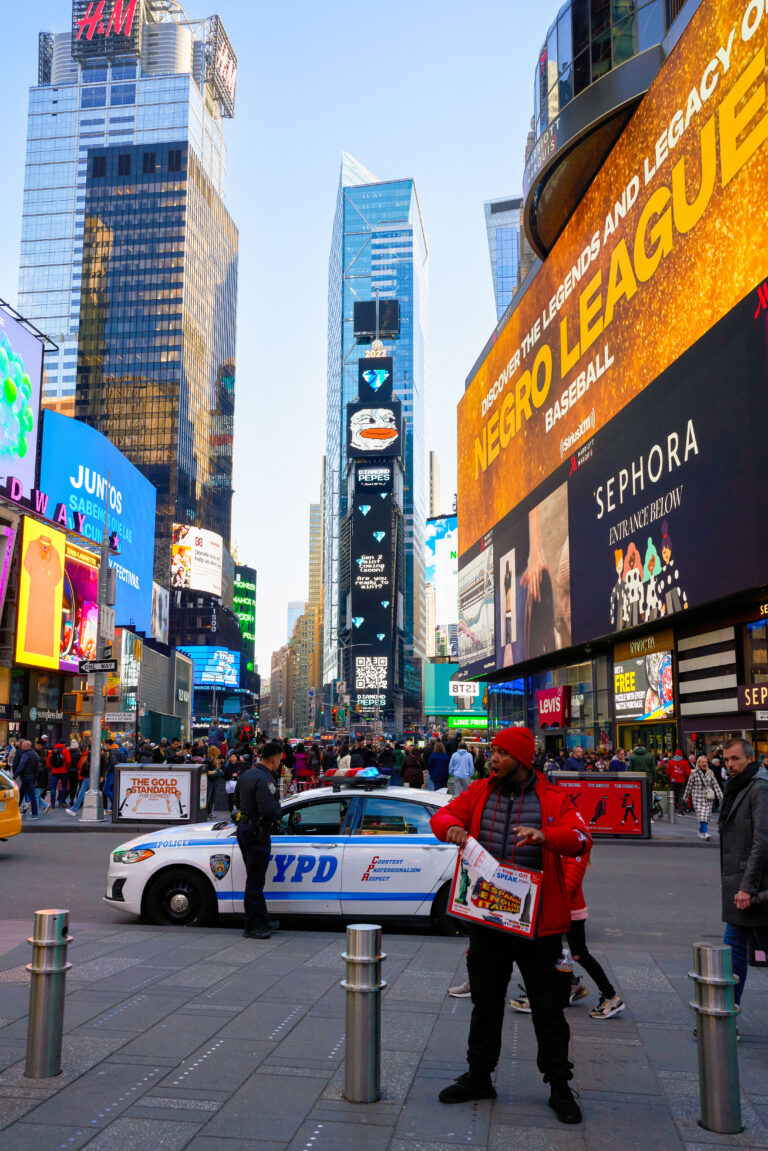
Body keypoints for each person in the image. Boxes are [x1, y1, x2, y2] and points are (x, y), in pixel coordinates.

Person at [431, 726, 589, 1123]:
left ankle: (558, 1086)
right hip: (487, 920)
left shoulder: (552, 797)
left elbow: (580, 838)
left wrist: (545, 835)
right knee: (485, 1004)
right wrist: (449, 827)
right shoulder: (480, 791)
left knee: (548, 1010)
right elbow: (445, 814)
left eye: (500, 753)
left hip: (539, 927)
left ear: (522, 758)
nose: (492, 759)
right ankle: (479, 1076)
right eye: (492, 752)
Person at [510, 840, 625, 1019]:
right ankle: (569, 987)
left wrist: (542, 894)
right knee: (551, 952)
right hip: (556, 910)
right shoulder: (560, 846)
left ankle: (610, 997)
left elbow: (569, 884)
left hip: (570, 913)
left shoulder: (577, 849)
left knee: (577, 955)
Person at [717, 738, 768, 1010]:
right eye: (726, 760)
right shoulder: (737, 786)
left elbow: (762, 841)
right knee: (735, 947)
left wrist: (746, 887)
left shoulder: (759, 787)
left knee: (734, 947)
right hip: (743, 886)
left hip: (755, 888)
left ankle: (727, 1014)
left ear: (750, 758)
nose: (730, 765)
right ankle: (727, 1014)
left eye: (735, 759)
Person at [233, 741, 284, 939]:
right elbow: (269, 809)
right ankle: (252, 925)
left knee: (255, 877)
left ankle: (262, 919)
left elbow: (236, 800)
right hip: (257, 832)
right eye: (279, 760)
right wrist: (278, 815)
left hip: (244, 829)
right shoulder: (265, 778)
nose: (279, 764)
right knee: (255, 880)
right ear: (273, 759)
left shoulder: (247, 774)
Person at [683, 755, 723, 840]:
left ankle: (701, 832)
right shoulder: (694, 773)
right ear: (699, 763)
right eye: (702, 762)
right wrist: (685, 797)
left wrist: (721, 796)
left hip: (708, 798)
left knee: (706, 817)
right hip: (697, 798)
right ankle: (705, 833)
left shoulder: (710, 773)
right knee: (702, 816)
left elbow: (715, 785)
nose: (704, 763)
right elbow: (689, 786)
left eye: (705, 762)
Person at [14, 740, 40, 820]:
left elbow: (21, 767)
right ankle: (15, 811)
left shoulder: (25, 755)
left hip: (26, 777)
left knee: (31, 795)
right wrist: (35, 779)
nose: (22, 747)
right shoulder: (35, 754)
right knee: (21, 794)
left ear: (26, 746)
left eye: (23, 746)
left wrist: (14, 777)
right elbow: (37, 768)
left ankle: (35, 814)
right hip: (32, 777)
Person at [667, 749, 691, 813]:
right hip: (681, 781)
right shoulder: (684, 762)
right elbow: (688, 773)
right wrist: (685, 778)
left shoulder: (671, 762)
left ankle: (672, 808)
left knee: (672, 794)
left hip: (673, 780)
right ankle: (680, 809)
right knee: (681, 795)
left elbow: (668, 772)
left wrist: (671, 776)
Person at [205, 745, 223, 818]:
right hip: (209, 781)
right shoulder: (208, 760)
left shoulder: (215, 761)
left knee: (212, 797)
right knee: (209, 797)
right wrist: (210, 772)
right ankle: (207, 812)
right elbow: (204, 770)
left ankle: (209, 812)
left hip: (213, 781)